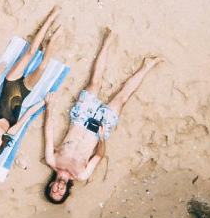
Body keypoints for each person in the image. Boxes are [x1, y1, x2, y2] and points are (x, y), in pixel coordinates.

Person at [43, 28, 161, 203]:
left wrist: (50, 107)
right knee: (121, 98)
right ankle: (147, 66)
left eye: (54, 191)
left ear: (51, 185)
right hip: (97, 131)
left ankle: (108, 40)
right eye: (60, 194)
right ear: (66, 192)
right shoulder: (81, 174)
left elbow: (49, 133)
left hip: (80, 119)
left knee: (94, 83)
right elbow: (98, 156)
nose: (58, 189)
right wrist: (102, 138)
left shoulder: (52, 160)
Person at [0, 5, 61, 157]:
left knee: (31, 52)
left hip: (11, 81)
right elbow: (28, 113)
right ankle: (53, 39)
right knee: (43, 66)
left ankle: (51, 18)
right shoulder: (12, 131)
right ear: (2, 144)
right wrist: (45, 103)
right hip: (25, 90)